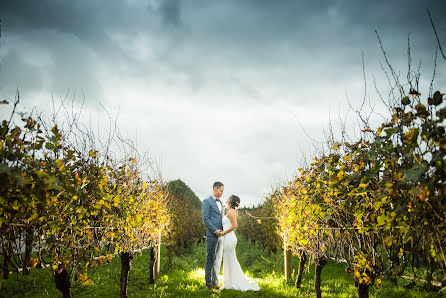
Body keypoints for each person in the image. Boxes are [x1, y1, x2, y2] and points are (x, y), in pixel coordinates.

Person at [220, 195, 260, 291]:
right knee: (228, 259)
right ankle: (228, 283)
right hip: (228, 238)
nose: (227, 198)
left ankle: (231, 283)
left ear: (231, 201)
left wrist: (223, 233)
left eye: (228, 198)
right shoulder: (229, 211)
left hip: (229, 238)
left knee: (230, 259)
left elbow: (235, 226)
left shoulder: (231, 212)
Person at [201, 181, 225, 290]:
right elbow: (205, 219)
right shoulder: (206, 201)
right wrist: (215, 231)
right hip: (212, 234)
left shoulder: (221, 202)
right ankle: (208, 283)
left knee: (218, 259)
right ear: (215, 189)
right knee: (210, 259)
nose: (222, 193)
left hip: (221, 235)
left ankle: (216, 281)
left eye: (223, 191)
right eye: (221, 190)